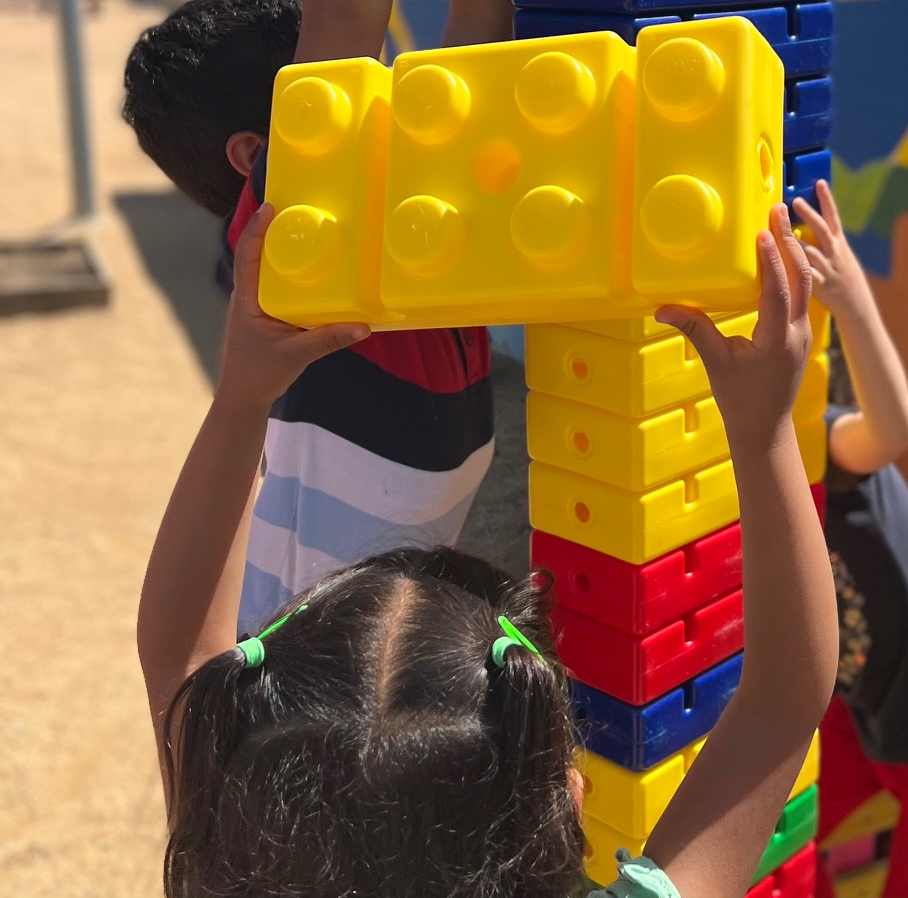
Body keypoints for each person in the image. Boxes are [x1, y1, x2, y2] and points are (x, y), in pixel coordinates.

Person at [136, 201, 836, 898]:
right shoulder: (222, 866)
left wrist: (240, 398)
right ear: (570, 799)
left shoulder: (226, 872)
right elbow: (782, 703)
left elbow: (783, 701)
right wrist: (767, 431)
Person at [121, 0, 517, 633]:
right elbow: (343, 17)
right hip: (307, 661)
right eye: (325, 93)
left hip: (344, 650)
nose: (371, 87)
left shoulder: (397, 226)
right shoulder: (297, 262)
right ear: (256, 158)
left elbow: (480, 27)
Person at [791, 179, 908, 898]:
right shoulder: (728, 473)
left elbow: (892, 428)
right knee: (782, 835)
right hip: (862, 703)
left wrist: (851, 300)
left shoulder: (822, 447)